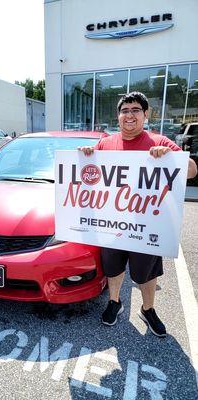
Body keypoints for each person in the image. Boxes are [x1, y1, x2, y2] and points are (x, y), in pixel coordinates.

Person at [79, 91, 197, 338]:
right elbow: (87, 173)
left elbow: (192, 170)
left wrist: (170, 158)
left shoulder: (160, 142)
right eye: (125, 110)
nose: (129, 115)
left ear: (145, 115)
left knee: (146, 273)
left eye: (135, 110)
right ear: (118, 115)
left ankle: (148, 309)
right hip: (111, 224)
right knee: (113, 268)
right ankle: (115, 302)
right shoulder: (105, 144)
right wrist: (85, 155)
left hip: (146, 227)